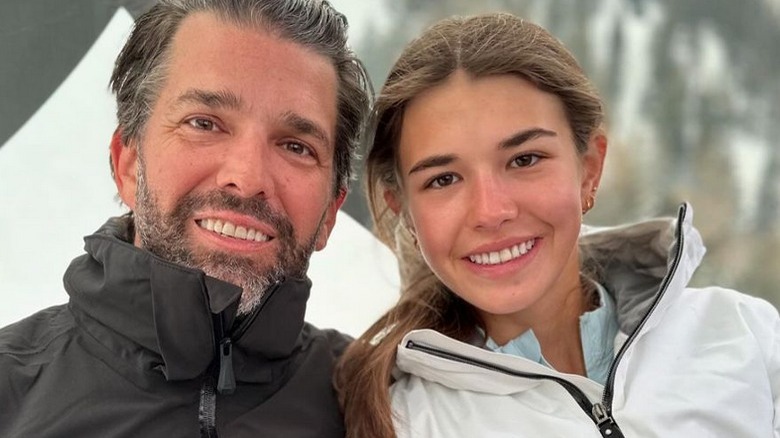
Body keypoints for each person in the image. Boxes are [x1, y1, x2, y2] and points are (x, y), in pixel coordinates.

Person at [335, 12, 780, 438]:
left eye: (524, 159)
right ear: (405, 212)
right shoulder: (402, 421)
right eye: (444, 179)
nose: (490, 211)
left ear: (589, 168)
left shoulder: (744, 337)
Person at [0, 0, 371, 436]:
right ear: (128, 163)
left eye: (296, 147)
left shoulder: (378, 402)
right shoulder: (11, 392)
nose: (248, 178)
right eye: (205, 123)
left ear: (330, 212)